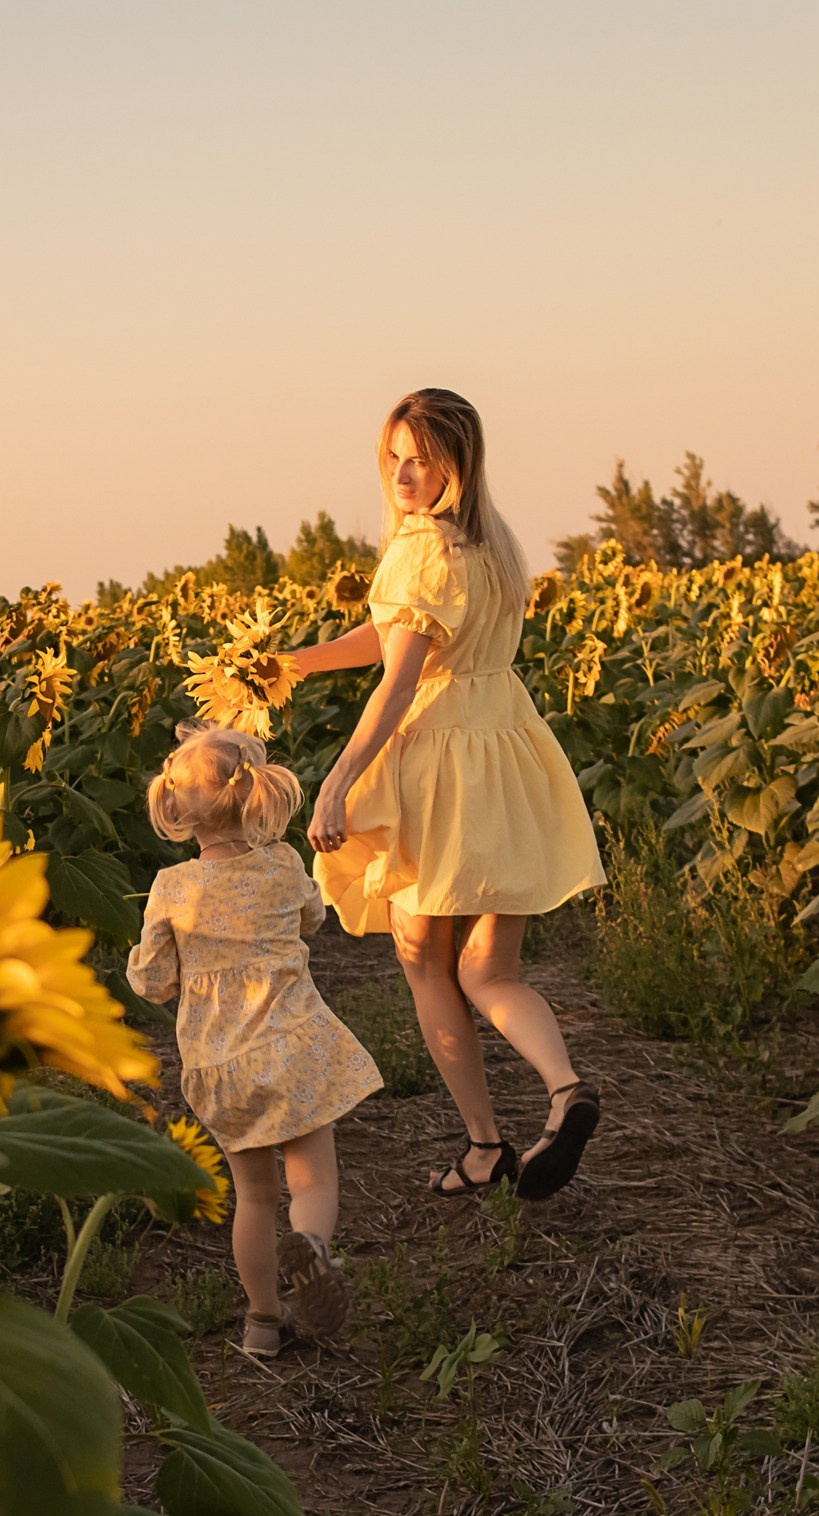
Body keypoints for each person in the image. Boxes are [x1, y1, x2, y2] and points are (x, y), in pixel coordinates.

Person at [286, 388, 607, 1200]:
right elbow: (398, 632)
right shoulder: (492, 546)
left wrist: (337, 783)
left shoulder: (417, 547)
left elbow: (399, 681)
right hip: (508, 756)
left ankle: (483, 1146)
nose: (403, 471)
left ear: (454, 465)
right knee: (490, 969)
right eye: (393, 455)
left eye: (421, 458)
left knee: (424, 960)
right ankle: (566, 1088)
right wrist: (297, 662)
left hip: (439, 764)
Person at [127, 723, 383, 1358]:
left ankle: (262, 1324)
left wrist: (150, 963)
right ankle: (315, 1249)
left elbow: (154, 983)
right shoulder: (284, 863)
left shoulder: (172, 888)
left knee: (254, 1197)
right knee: (312, 1182)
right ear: (256, 795)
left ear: (177, 810)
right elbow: (312, 917)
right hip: (292, 1044)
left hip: (220, 1064)